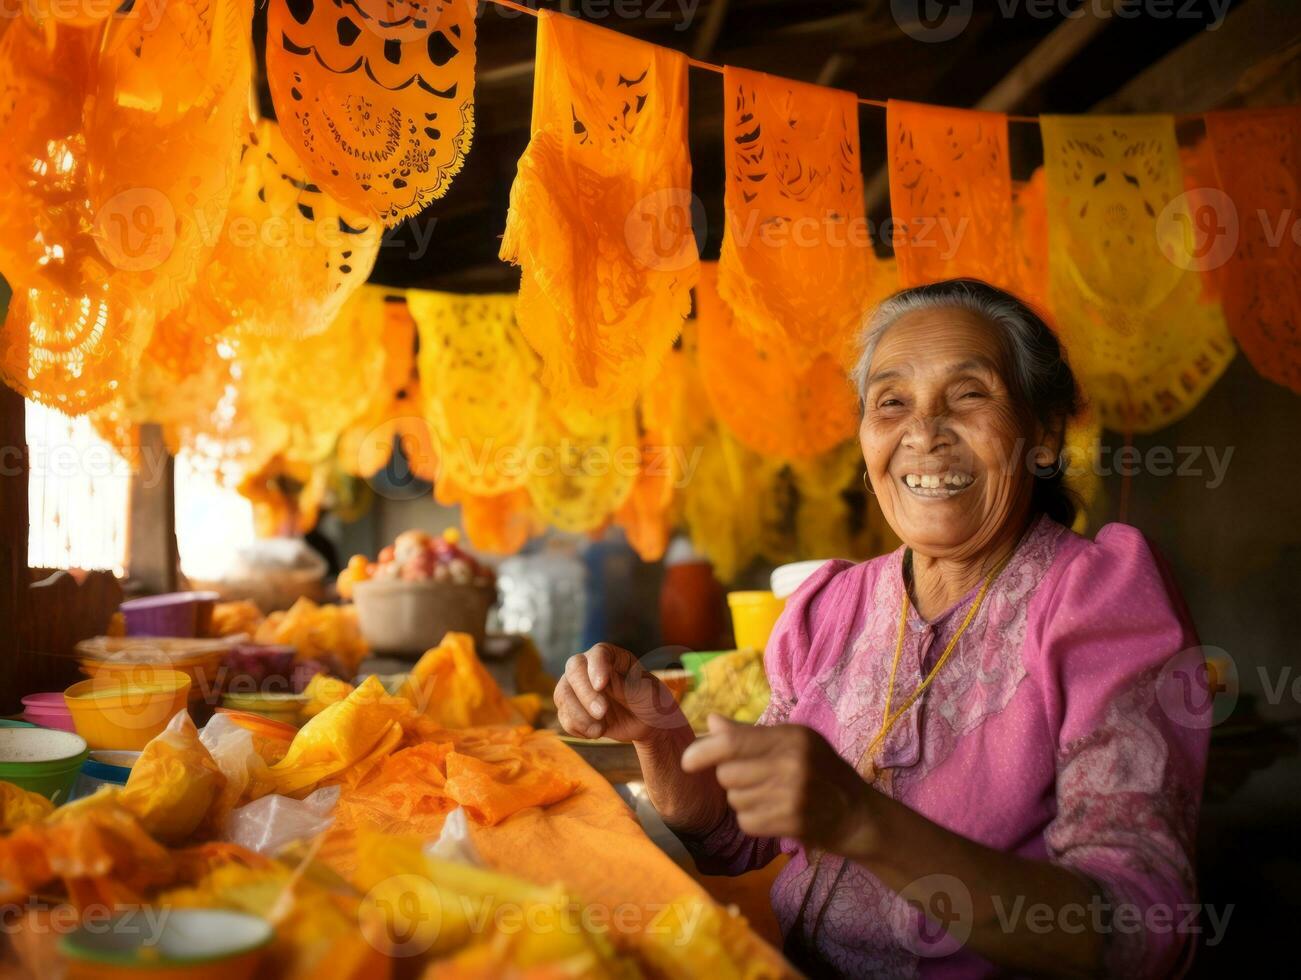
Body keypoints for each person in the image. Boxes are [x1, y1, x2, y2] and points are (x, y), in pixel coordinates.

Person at [554, 279, 1210, 978]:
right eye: (891, 402)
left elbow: (1140, 930)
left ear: (1043, 434)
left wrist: (863, 822)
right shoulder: (828, 606)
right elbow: (738, 839)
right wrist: (658, 733)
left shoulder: (1096, 599)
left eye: (969, 394)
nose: (923, 433)